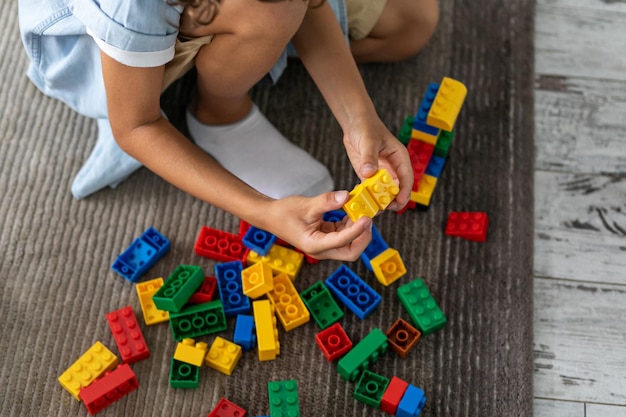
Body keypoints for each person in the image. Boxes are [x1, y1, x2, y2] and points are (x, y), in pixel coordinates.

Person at [18, 0, 438, 261]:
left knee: (412, 22)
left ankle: (246, 46)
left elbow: (309, 6)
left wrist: (358, 119)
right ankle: (221, 115)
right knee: (271, 13)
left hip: (209, 12)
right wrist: (266, 213)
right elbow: (136, 125)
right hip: (97, 47)